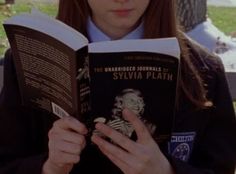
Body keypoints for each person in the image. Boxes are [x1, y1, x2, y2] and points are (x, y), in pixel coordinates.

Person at [0, 0, 236, 174]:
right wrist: (49, 167)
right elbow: (7, 163)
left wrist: (166, 171)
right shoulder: (29, 60)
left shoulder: (203, 69)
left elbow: (220, 167)